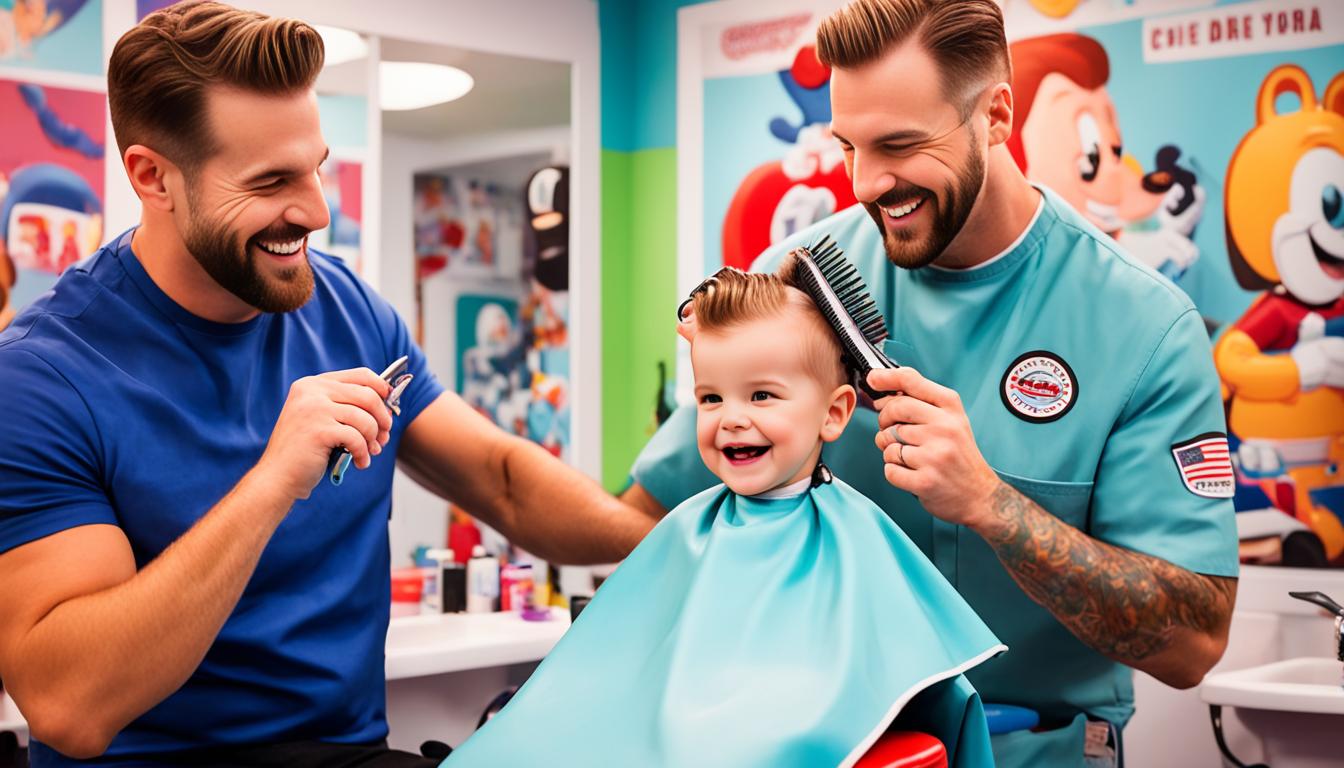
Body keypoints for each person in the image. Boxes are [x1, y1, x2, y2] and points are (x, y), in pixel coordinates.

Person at [0, 3, 653, 766]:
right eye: (272, 180)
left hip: (349, 754)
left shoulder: (347, 309)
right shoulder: (43, 377)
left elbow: (503, 483)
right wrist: (274, 478)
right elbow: (71, 708)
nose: (315, 210)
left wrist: (685, 541)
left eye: (317, 166)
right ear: (153, 177)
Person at [624, 1, 1239, 765]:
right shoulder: (804, 282)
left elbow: (1193, 645)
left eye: (901, 144)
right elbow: (648, 513)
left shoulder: (1145, 328)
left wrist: (992, 506)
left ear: (996, 115)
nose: (868, 182)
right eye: (850, 145)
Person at [444, 264, 1003, 767]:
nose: (731, 419)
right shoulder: (688, 529)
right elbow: (618, 669)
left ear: (834, 414)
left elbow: (898, 677)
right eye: (711, 398)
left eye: (761, 396)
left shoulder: (856, 533)